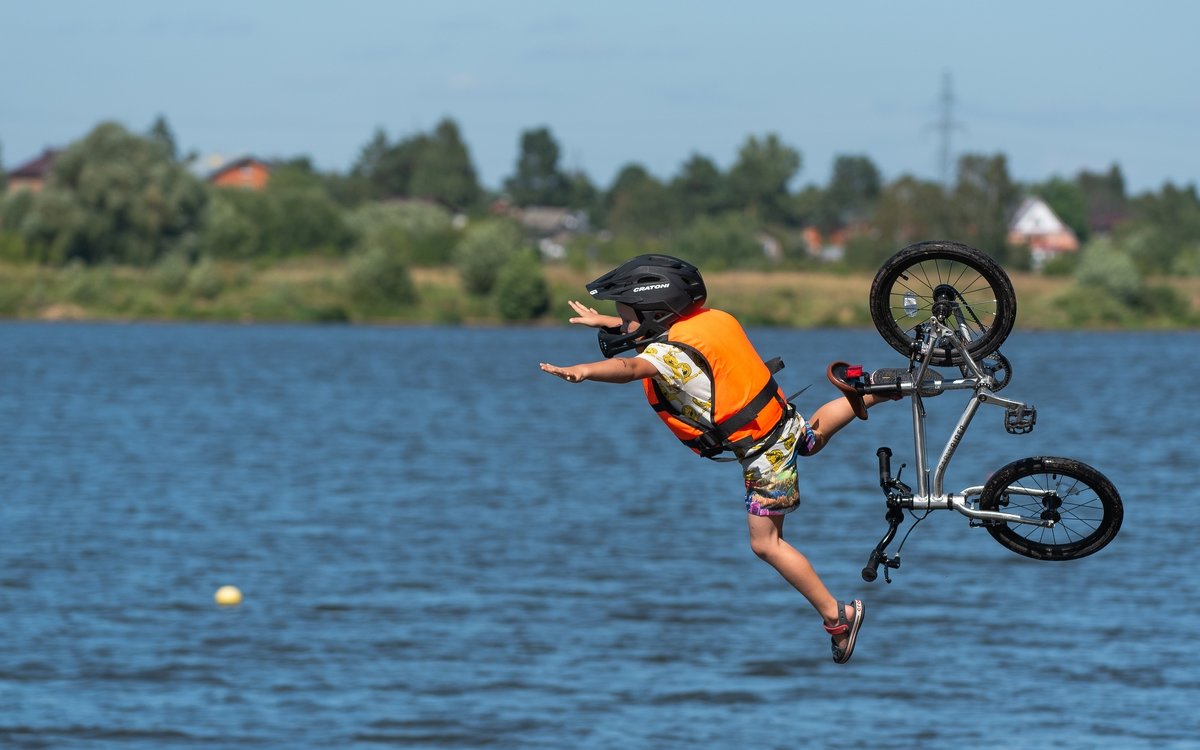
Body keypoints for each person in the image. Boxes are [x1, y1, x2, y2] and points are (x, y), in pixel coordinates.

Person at [539, 254, 894, 664]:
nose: (624, 326)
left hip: (760, 452)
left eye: (627, 318)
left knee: (766, 544)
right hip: (777, 420)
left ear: (657, 313)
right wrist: (606, 322)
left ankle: (838, 617)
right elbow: (653, 339)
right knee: (808, 439)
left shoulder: (667, 357)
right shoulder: (710, 321)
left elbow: (631, 365)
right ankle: (875, 390)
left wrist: (585, 370)